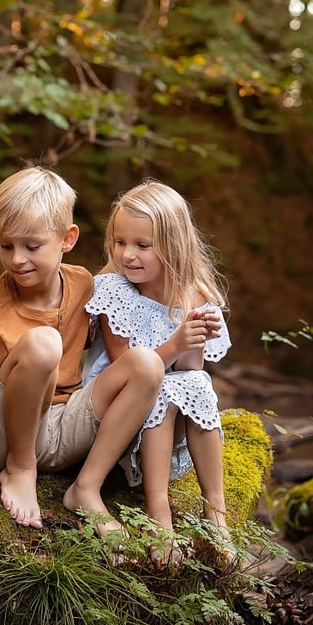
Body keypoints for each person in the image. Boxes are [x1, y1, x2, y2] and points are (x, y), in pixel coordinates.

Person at [0, 166, 165, 541]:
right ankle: (20, 469)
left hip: (61, 430)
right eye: (6, 245)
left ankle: (86, 489)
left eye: (32, 246)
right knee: (44, 343)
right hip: (0, 438)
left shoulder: (84, 285)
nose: (16, 260)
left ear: (67, 238)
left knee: (146, 363)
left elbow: (134, 291)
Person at [84, 179, 234, 563]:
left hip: (164, 416)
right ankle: (159, 516)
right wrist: (176, 343)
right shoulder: (113, 289)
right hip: (118, 409)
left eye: (142, 245)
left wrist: (194, 341)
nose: (127, 255)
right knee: (163, 387)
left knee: (195, 381)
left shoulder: (191, 294)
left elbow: (189, 370)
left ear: (172, 245)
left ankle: (216, 515)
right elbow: (129, 367)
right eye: (120, 242)